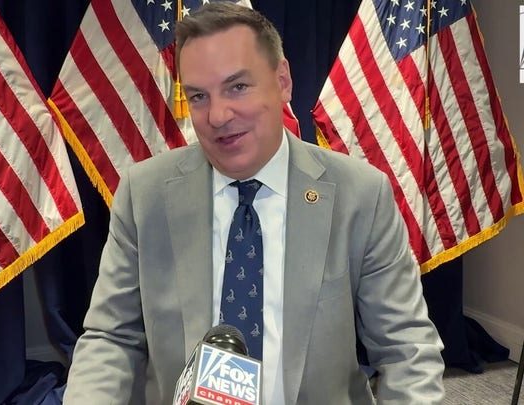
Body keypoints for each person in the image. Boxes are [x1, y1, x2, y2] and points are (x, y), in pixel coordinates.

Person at [64, 2, 445, 404]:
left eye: (237, 87)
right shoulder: (145, 194)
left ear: (283, 81)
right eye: (198, 96)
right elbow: (110, 338)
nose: (217, 116)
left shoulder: (361, 194)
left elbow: (407, 348)